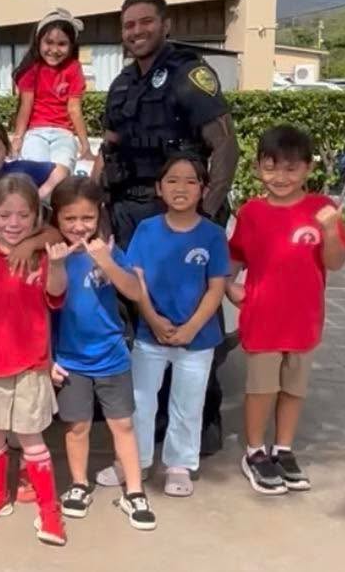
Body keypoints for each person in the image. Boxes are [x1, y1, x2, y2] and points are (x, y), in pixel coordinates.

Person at [95, 0, 238, 455]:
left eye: (145, 22)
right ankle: (149, 421)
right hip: (129, 213)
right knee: (141, 317)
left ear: (165, 24)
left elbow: (225, 146)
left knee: (192, 313)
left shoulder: (188, 74)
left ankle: (203, 421)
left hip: (179, 214)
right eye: (129, 25)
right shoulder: (121, 84)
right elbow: (108, 150)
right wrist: (97, 207)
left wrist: (205, 215)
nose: (136, 31)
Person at [228, 126, 345, 495]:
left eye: (291, 168)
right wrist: (230, 288)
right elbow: (235, 257)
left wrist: (330, 230)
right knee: (262, 388)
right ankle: (254, 451)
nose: (281, 177)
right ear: (257, 168)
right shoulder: (252, 212)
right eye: (271, 167)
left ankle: (283, 448)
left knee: (294, 388)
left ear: (308, 168)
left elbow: (335, 261)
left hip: (304, 319)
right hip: (263, 318)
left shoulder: (322, 210)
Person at [110, 155, 229, 497]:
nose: (181, 188)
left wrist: (191, 327)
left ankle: (179, 464)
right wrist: (152, 318)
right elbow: (137, 280)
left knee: (188, 403)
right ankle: (135, 461)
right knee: (141, 400)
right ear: (159, 188)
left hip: (198, 338)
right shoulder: (147, 230)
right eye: (173, 180)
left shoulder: (212, 235)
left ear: (203, 189)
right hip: (151, 335)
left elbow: (216, 288)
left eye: (191, 181)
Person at [0, 175, 65, 546]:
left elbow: (56, 293)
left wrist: (56, 262)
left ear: (36, 216)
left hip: (29, 362)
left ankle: (49, 509)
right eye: (4, 215)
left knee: (32, 440)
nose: (14, 223)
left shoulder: (43, 254)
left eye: (23, 215)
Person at [48, 177, 156, 531]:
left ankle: (134, 491)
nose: (79, 226)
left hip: (111, 356)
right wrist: (57, 264)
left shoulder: (110, 250)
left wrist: (106, 262)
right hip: (70, 359)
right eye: (70, 218)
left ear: (99, 215)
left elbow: (135, 292)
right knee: (77, 426)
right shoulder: (55, 255)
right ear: (56, 218)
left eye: (87, 218)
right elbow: (51, 296)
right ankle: (79, 484)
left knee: (122, 424)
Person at [10, 8, 91, 200]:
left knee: (62, 170)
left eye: (62, 44)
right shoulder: (32, 68)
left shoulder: (74, 68)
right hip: (35, 132)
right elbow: (26, 105)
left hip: (64, 133)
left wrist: (85, 144)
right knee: (37, 171)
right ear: (38, 41)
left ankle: (37, 199)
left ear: (72, 45)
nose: (54, 50)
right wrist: (18, 138)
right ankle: (39, 202)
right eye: (49, 42)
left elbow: (74, 108)